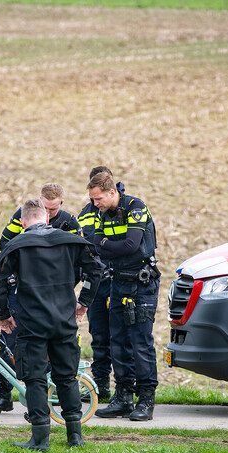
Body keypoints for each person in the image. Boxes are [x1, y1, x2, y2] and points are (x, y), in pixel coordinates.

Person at [0, 199, 104, 451]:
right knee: (67, 377)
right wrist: (84, 302)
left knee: (36, 378)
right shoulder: (70, 241)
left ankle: (40, 439)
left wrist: (4, 315)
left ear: (22, 222)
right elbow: (96, 270)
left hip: (32, 323)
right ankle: (75, 436)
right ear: (47, 219)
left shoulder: (16, 245)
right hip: (64, 320)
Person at [0, 183, 81, 416]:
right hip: (25, 292)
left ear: (61, 204)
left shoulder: (69, 223)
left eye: (53, 209)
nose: (47, 215)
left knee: (51, 355)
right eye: (45, 208)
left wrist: (66, 286)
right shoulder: (22, 217)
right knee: (9, 342)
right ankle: (4, 394)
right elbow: (4, 246)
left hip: (56, 299)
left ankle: (43, 403)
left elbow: (80, 261)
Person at [88, 172, 160, 422]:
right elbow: (96, 245)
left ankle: (146, 399)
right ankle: (123, 397)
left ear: (111, 192)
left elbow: (132, 245)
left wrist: (107, 245)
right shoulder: (101, 213)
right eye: (93, 200)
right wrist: (109, 246)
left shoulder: (135, 207)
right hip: (118, 281)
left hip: (142, 283)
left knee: (140, 341)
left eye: (98, 199)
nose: (95, 204)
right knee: (117, 340)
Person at [77, 166, 125, 403]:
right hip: (95, 282)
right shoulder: (85, 213)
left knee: (120, 336)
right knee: (98, 336)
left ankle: (125, 388)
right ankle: (100, 384)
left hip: (117, 278)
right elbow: (83, 247)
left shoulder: (124, 209)